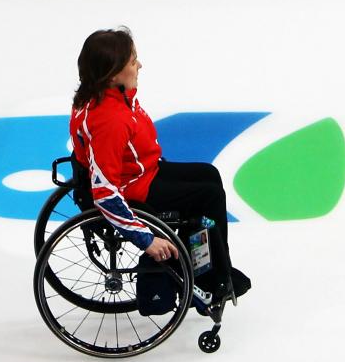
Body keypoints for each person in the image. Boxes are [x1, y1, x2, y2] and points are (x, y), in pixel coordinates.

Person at [69, 27, 250, 302]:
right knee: (209, 196)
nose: (139, 65)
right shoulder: (110, 120)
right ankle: (210, 280)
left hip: (142, 171)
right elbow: (105, 194)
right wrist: (147, 240)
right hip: (133, 190)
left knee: (208, 174)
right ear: (112, 74)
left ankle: (211, 266)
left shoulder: (109, 96)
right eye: (132, 61)